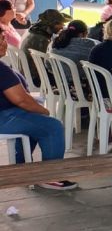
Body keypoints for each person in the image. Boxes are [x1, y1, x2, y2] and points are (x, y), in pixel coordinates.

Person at [0, 35, 74, 190]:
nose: (3, 44)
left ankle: (21, 168)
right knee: (52, 127)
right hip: (4, 116)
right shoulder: (1, 69)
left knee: (33, 121)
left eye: (2, 39)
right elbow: (21, 100)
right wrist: (44, 111)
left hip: (8, 112)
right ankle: (49, 176)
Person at [23, 10, 69, 86]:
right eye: (60, 24)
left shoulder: (33, 33)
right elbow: (46, 65)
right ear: (52, 24)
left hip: (28, 74)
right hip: (35, 78)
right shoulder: (42, 39)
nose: (62, 26)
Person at [50, 20, 99, 91]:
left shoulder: (57, 42)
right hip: (82, 90)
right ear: (83, 33)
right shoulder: (89, 44)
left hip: (60, 87)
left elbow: (48, 64)